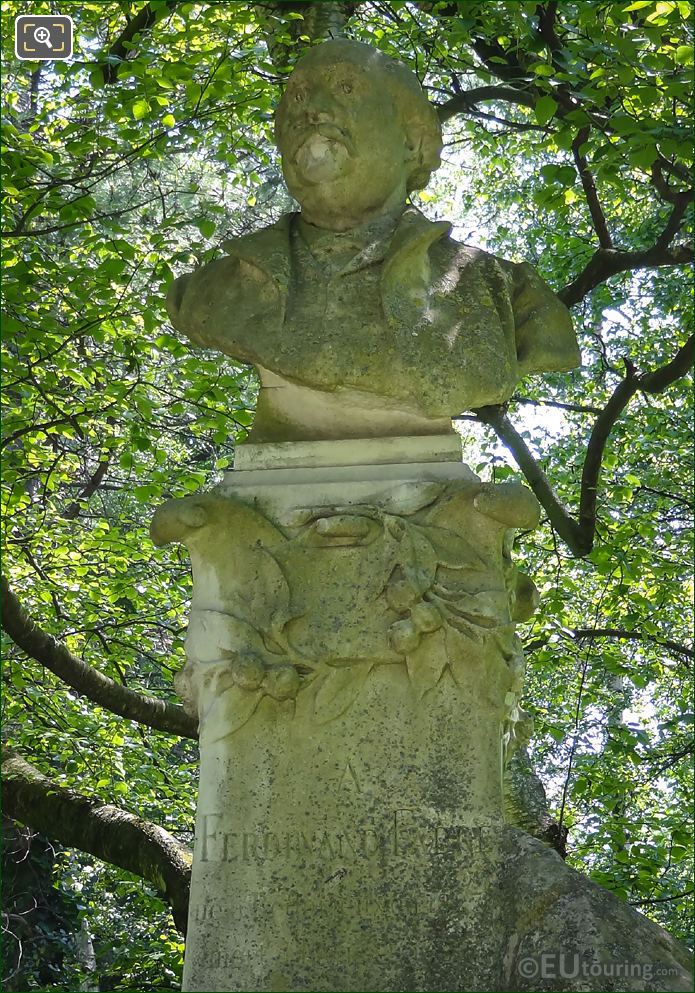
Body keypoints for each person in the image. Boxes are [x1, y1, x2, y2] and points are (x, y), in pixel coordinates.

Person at [166, 39, 580, 442]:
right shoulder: (214, 291)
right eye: (298, 96)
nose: (311, 110)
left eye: (347, 88)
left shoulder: (502, 291)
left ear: (412, 140)